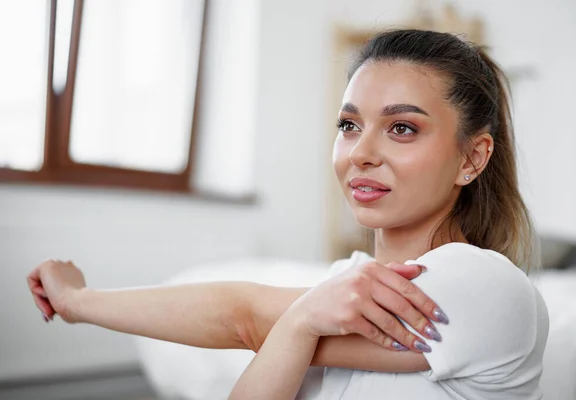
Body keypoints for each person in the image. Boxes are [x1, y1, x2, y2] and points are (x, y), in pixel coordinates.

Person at [27, 29, 549, 399]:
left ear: (472, 157)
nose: (360, 153)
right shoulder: (340, 283)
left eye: (402, 128)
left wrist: (79, 299)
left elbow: (243, 317)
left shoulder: (486, 285)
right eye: (348, 125)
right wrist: (299, 322)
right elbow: (249, 327)